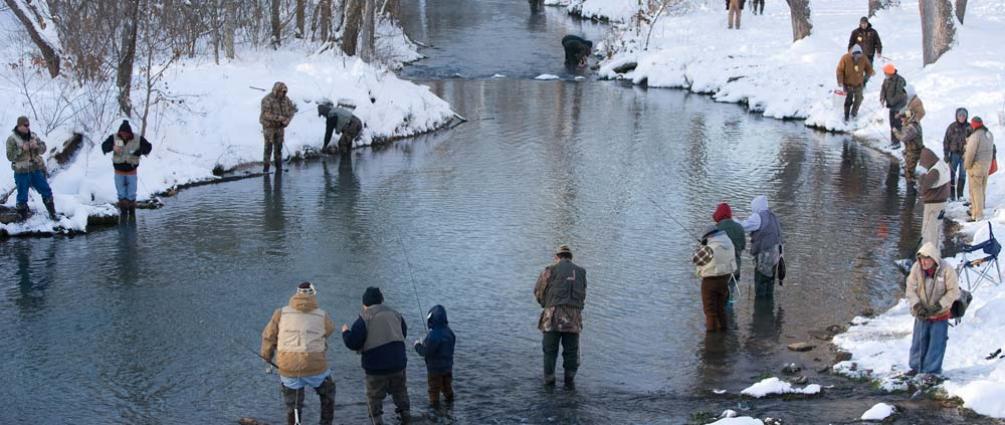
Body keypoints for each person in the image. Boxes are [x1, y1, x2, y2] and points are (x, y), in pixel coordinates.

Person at [260, 282, 337, 425]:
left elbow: (268, 336)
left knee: (293, 404)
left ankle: (294, 419)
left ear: (296, 294)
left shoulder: (280, 313)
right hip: (315, 367)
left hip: (288, 367)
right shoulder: (322, 315)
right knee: (328, 392)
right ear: (313, 295)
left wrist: (267, 356)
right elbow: (330, 330)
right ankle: (325, 422)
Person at [342, 287, 410, 425]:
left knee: (374, 400)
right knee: (400, 393)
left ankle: (377, 421)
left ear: (364, 304)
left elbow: (353, 343)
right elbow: (403, 333)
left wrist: (345, 332)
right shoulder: (396, 314)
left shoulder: (363, 318)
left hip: (375, 369)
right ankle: (406, 419)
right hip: (398, 364)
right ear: (382, 301)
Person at [534, 244, 587, 387]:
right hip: (574, 319)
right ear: (571, 258)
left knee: (550, 351)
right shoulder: (581, 272)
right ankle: (569, 383)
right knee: (571, 352)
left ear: (557, 257)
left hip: (552, 317)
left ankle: (549, 381)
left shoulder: (549, 270)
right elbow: (583, 296)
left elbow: (538, 292)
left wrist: (546, 305)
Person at [906, 242, 960, 379]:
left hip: (940, 314)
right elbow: (910, 289)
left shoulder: (947, 270)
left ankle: (931, 372)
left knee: (936, 344)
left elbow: (953, 292)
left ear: (934, 259)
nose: (923, 262)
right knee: (918, 342)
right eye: (921, 259)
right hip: (922, 313)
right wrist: (917, 306)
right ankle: (916, 367)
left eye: (926, 259)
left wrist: (939, 306)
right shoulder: (916, 269)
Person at [6, 116, 56, 220]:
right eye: (25, 125)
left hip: (35, 170)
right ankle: (23, 219)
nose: (28, 127)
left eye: (28, 125)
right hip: (21, 172)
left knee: (46, 190)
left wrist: (37, 146)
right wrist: (21, 149)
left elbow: (44, 149)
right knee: (22, 197)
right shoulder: (11, 139)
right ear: (19, 126)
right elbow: (10, 156)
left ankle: (53, 215)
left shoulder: (33, 136)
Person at [100, 120, 152, 217]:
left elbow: (148, 147)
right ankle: (123, 213)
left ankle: (132, 212)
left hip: (131, 171)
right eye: (122, 133)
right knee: (121, 193)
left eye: (125, 134)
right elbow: (104, 147)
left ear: (129, 133)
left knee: (131, 193)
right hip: (118, 171)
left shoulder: (137, 138)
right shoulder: (114, 138)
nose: (123, 135)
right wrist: (112, 147)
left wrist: (140, 150)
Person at [692, 226, 737, 332]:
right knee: (720, 309)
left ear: (710, 236)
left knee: (710, 311)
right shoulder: (729, 242)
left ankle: (711, 339)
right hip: (725, 279)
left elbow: (696, 259)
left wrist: (701, 247)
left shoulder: (710, 248)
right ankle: (723, 332)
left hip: (710, 282)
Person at [413, 305, 456, 405]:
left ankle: (434, 413)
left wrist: (417, 345)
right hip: (448, 368)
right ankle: (450, 406)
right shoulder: (450, 333)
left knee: (434, 391)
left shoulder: (432, 336)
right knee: (447, 388)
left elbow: (426, 352)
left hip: (434, 371)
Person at [741, 196, 783, 298]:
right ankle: (768, 310)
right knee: (770, 285)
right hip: (776, 256)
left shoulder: (758, 217)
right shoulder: (773, 217)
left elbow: (743, 226)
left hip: (764, 256)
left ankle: (760, 310)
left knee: (761, 284)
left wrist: (732, 221)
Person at [259, 81, 298, 173]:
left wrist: (287, 120)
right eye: (281, 91)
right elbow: (265, 115)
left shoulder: (286, 99)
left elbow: (292, 111)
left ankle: (278, 168)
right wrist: (279, 118)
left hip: (280, 128)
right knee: (268, 148)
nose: (283, 93)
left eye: (285, 92)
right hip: (269, 127)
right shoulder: (267, 99)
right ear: (276, 90)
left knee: (279, 148)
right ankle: (266, 169)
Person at [918, 148, 951, 249]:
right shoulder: (942, 164)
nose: (923, 166)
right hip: (941, 203)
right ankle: (934, 255)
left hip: (933, 205)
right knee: (935, 232)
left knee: (928, 233)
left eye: (922, 163)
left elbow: (923, 188)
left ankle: (928, 256)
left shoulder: (934, 172)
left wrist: (922, 177)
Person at [963, 116, 995, 222]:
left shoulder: (975, 136)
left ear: (974, 125)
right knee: (982, 190)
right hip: (986, 167)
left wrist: (966, 165)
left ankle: (977, 214)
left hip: (976, 167)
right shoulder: (989, 134)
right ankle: (976, 210)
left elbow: (970, 153)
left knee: (975, 191)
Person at [836, 44, 874, 121]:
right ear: (852, 53)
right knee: (848, 100)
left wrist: (866, 77)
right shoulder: (845, 58)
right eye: (856, 55)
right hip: (848, 84)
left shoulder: (863, 58)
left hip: (859, 84)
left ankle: (853, 114)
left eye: (859, 55)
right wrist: (840, 81)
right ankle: (846, 116)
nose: (857, 57)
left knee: (859, 99)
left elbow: (869, 68)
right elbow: (839, 70)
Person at [943, 108, 972, 201]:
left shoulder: (969, 127)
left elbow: (974, 142)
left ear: (966, 116)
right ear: (957, 116)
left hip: (965, 155)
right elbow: (946, 141)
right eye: (960, 115)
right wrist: (946, 155)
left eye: (964, 115)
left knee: (962, 175)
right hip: (954, 154)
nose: (962, 117)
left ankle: (960, 195)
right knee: (951, 174)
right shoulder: (952, 127)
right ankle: (951, 196)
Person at [714, 202, 746, 283]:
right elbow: (742, 246)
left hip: (721, 272)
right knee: (730, 292)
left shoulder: (716, 229)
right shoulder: (740, 227)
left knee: (720, 294)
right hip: (735, 270)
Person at [880, 64, 908, 149]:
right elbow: (883, 89)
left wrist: (891, 102)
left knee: (897, 124)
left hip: (899, 106)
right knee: (892, 124)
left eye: (886, 73)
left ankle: (897, 143)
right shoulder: (886, 80)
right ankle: (893, 141)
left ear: (890, 73)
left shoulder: (899, 80)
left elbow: (899, 94)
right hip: (892, 106)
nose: (885, 74)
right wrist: (882, 98)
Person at [894, 110, 924, 185]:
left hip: (914, 152)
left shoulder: (911, 127)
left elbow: (903, 138)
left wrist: (895, 132)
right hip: (913, 150)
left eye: (902, 118)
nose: (901, 119)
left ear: (907, 118)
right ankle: (912, 183)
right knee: (909, 169)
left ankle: (910, 190)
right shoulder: (913, 123)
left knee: (908, 171)